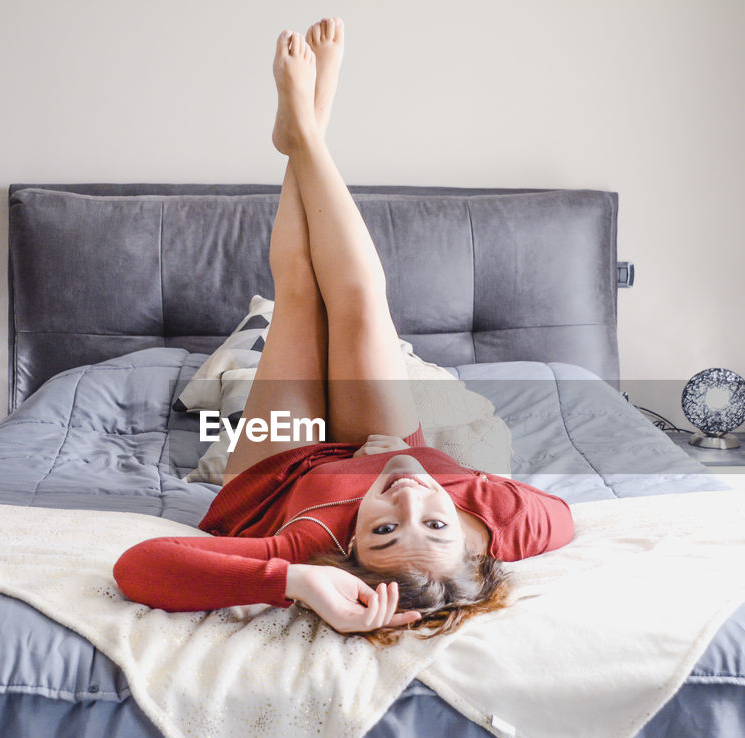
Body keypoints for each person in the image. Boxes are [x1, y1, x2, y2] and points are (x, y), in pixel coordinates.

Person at [114, 19, 573, 640]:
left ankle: (306, 128)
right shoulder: (506, 524)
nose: (407, 497)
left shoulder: (312, 541)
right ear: (474, 545)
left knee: (301, 294)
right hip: (384, 441)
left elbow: (137, 567)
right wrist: (424, 469)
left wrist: (295, 580)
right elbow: (562, 517)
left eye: (384, 529)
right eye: (436, 525)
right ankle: (306, 129)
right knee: (358, 297)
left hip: (283, 471)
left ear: (349, 551)